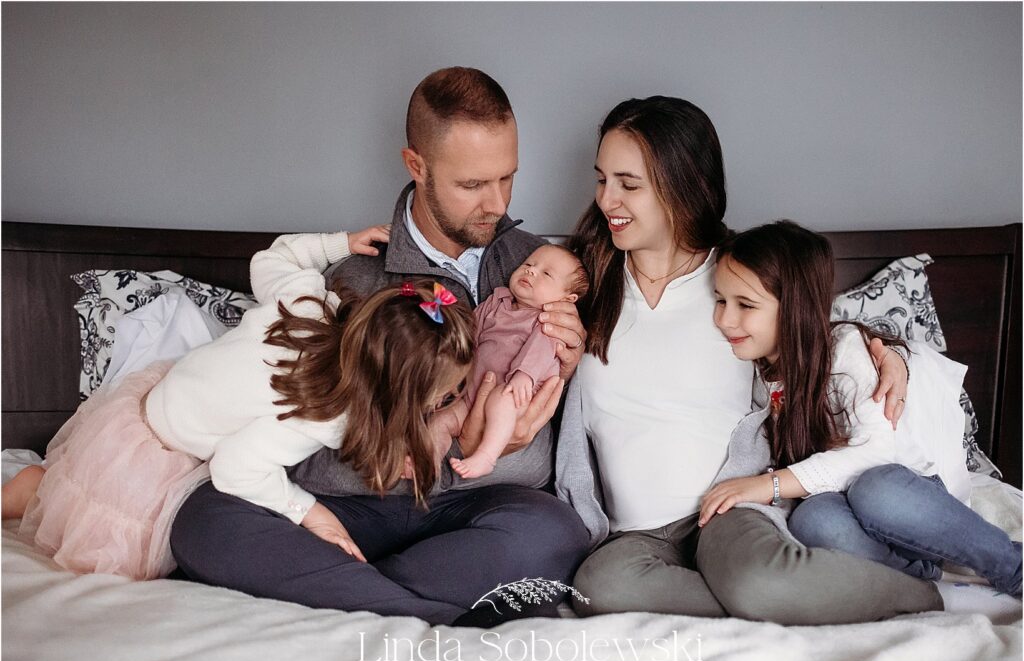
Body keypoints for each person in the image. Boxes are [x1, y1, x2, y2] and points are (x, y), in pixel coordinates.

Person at [168, 67, 591, 626]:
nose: (498, 204)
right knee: (204, 522)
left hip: (479, 508)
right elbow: (312, 444)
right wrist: (428, 443)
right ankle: (413, 600)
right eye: (472, 185)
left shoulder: (546, 269)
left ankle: (350, 590)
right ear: (417, 166)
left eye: (507, 178)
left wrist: (573, 361)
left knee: (555, 534)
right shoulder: (353, 280)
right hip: (358, 507)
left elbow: (557, 436)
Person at [557, 96, 941, 625]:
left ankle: (914, 594)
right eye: (601, 179)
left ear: (684, 185)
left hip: (728, 511)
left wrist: (892, 354)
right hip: (635, 533)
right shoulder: (581, 281)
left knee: (756, 577)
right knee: (597, 588)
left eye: (629, 183)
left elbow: (815, 339)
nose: (607, 200)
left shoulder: (737, 277)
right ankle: (775, 592)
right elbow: (501, 300)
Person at [2, 228, 480, 581]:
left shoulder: (312, 305)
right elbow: (234, 469)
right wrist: (308, 512)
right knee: (119, 553)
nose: (449, 401)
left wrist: (340, 243)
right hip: (163, 447)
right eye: (443, 395)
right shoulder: (325, 414)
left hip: (165, 391)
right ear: (396, 389)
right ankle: (28, 491)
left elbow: (272, 258)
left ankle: (36, 486)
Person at [703, 220, 1022, 598]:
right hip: (845, 506)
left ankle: (1012, 566)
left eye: (746, 305)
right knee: (813, 518)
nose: (724, 319)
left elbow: (875, 453)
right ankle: (916, 574)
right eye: (721, 300)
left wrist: (768, 484)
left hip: (905, 498)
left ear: (796, 307)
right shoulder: (753, 369)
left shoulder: (844, 348)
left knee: (876, 488)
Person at [438, 243, 590, 479]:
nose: (531, 271)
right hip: (470, 395)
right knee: (441, 421)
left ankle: (486, 456)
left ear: (567, 299)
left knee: (502, 400)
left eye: (546, 274)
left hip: (515, 392)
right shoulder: (497, 302)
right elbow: (469, 332)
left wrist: (524, 376)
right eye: (528, 264)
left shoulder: (548, 322)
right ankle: (422, 461)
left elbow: (539, 351)